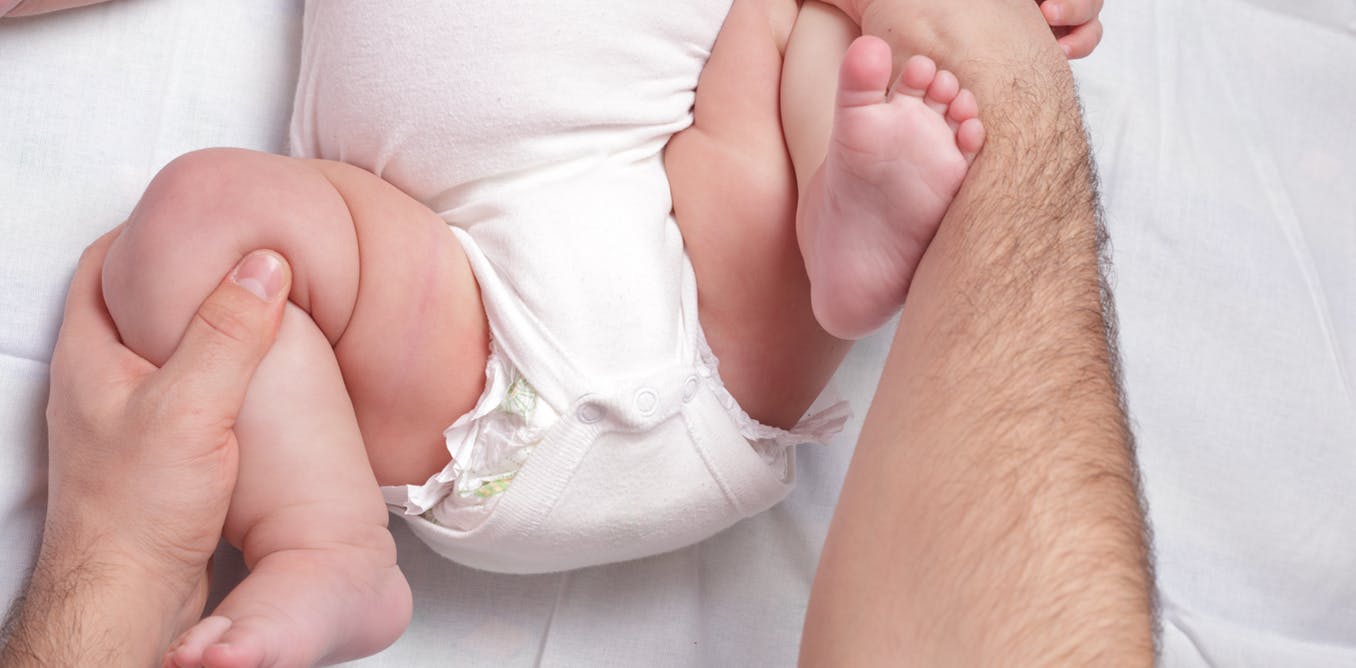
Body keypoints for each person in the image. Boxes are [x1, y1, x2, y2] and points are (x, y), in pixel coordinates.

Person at [3, 0, 1121, 665]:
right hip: (452, 317)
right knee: (193, 219)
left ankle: (848, 208)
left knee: (826, 26)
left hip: (700, 256)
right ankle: (325, 543)